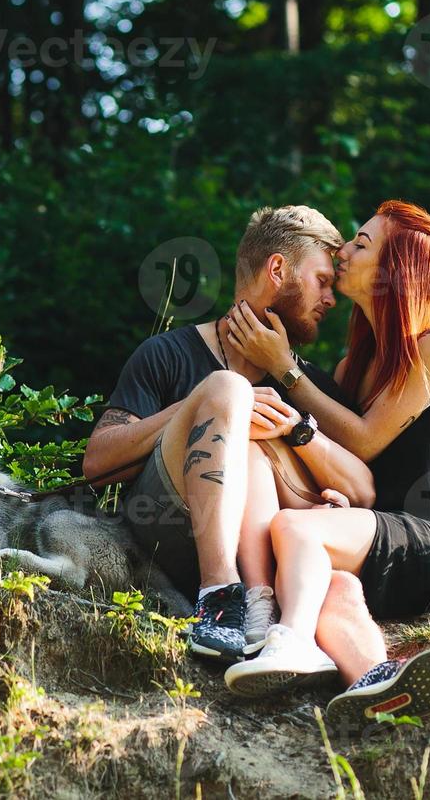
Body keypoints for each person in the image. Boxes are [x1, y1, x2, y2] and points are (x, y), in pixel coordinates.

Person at [220, 199, 430, 729]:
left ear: (395, 270)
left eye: (362, 243)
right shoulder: (352, 366)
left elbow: (360, 442)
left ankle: (290, 640)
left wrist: (284, 368)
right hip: (374, 536)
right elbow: (346, 460)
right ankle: (376, 681)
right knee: (330, 586)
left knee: (295, 529)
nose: (344, 250)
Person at [82, 205, 365, 664]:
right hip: (168, 534)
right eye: (322, 281)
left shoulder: (305, 385)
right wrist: (206, 404)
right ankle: (217, 594)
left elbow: (362, 489)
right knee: (228, 388)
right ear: (278, 269)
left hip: (271, 571)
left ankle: (363, 675)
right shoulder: (168, 353)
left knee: (342, 589)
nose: (331, 298)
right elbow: (97, 464)